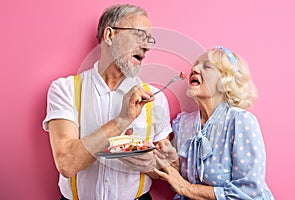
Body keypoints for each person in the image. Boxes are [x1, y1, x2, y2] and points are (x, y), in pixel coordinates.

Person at [42, 4, 172, 200]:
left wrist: (152, 164)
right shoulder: (65, 89)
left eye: (149, 40)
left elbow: (167, 168)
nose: (147, 47)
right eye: (139, 35)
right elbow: (67, 164)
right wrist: (121, 120)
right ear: (109, 35)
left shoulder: (156, 98)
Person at [154, 46, 274, 199]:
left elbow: (247, 193)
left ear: (225, 80)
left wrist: (187, 188)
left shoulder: (240, 122)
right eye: (196, 64)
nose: (195, 69)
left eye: (206, 66)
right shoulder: (182, 123)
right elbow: (177, 182)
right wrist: (174, 164)